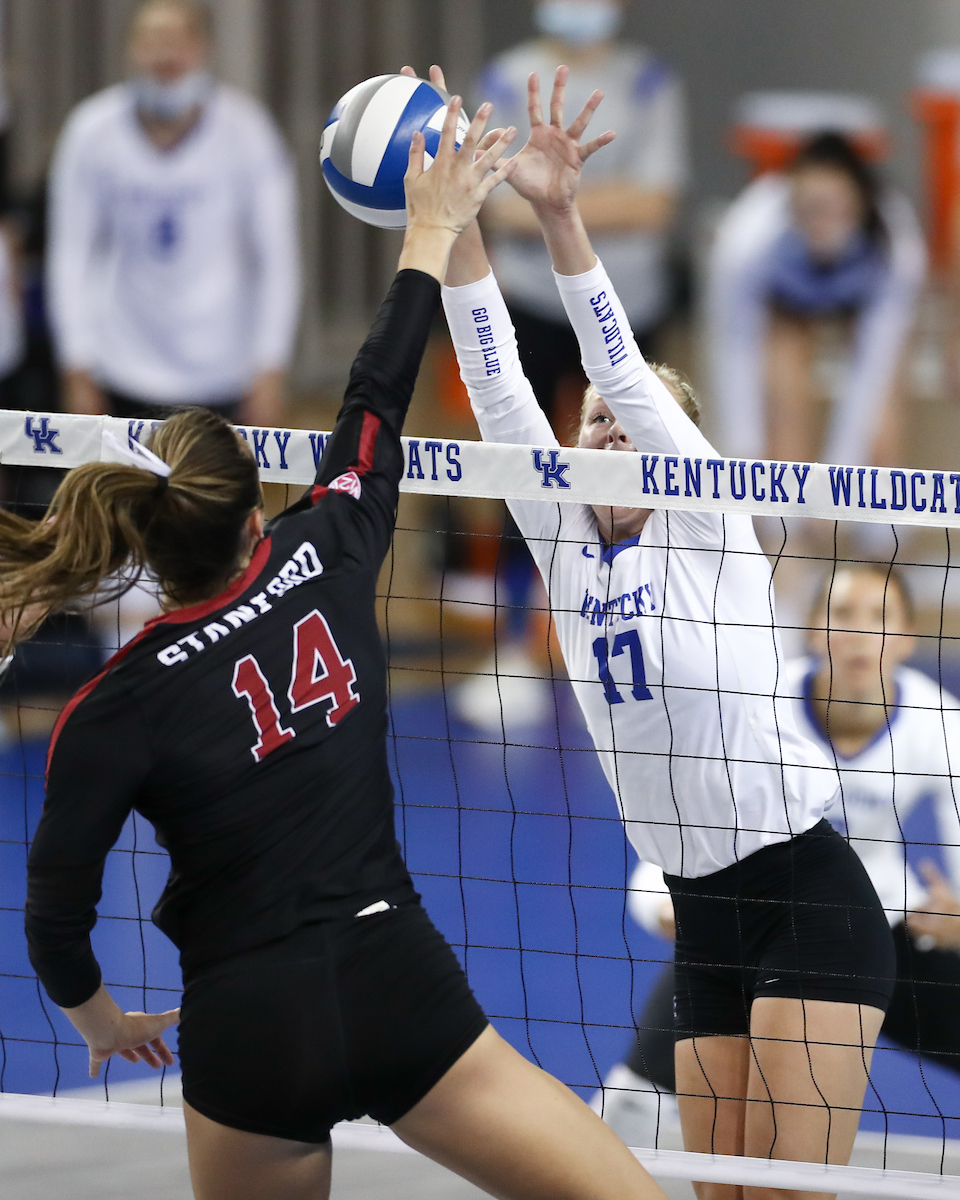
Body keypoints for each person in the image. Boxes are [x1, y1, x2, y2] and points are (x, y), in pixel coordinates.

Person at [19, 96, 666, 1200]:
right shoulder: (328, 547)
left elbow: (54, 923)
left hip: (246, 1027)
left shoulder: (111, 707)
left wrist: (104, 1018)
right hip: (392, 980)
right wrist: (429, 225)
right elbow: (377, 391)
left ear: (147, 548)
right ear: (256, 516)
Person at [443, 67, 896, 1196]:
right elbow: (500, 395)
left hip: (805, 903)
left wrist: (560, 214)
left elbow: (625, 377)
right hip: (705, 920)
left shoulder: (710, 526)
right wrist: (445, 219)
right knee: (717, 1195)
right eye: (588, 415)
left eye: (621, 412)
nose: (599, 421)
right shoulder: (563, 541)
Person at [600, 564, 960, 1146]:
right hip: (763, 921)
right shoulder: (756, 706)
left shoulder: (942, 723)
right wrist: (663, 906)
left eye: (883, 618)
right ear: (815, 629)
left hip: (884, 926)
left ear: (911, 639)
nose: (862, 634)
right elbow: (684, 827)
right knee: (629, 1110)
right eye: (842, 615)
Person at [47, 0, 299, 427]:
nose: (166, 55)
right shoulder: (91, 131)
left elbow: (277, 258)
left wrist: (271, 365)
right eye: (152, 40)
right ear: (130, 48)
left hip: (221, 370)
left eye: (178, 40)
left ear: (203, 49)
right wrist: (75, 363)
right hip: (122, 368)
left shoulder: (248, 132)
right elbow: (71, 251)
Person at [476, 0, 687, 426]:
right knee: (520, 445)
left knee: (636, 442)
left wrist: (552, 198)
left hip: (629, 302)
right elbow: (496, 208)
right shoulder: (506, 78)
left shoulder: (649, 80)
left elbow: (655, 206)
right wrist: (612, 201)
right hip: (529, 299)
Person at [707, 132, 925, 469]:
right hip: (787, 306)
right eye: (809, 209)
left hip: (859, 304)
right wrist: (744, 453)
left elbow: (874, 366)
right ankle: (786, 520)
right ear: (790, 200)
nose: (820, 224)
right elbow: (734, 348)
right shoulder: (746, 239)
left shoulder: (897, 246)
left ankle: (875, 522)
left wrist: (839, 473)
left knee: (883, 420)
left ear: (861, 204)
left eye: (834, 209)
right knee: (782, 405)